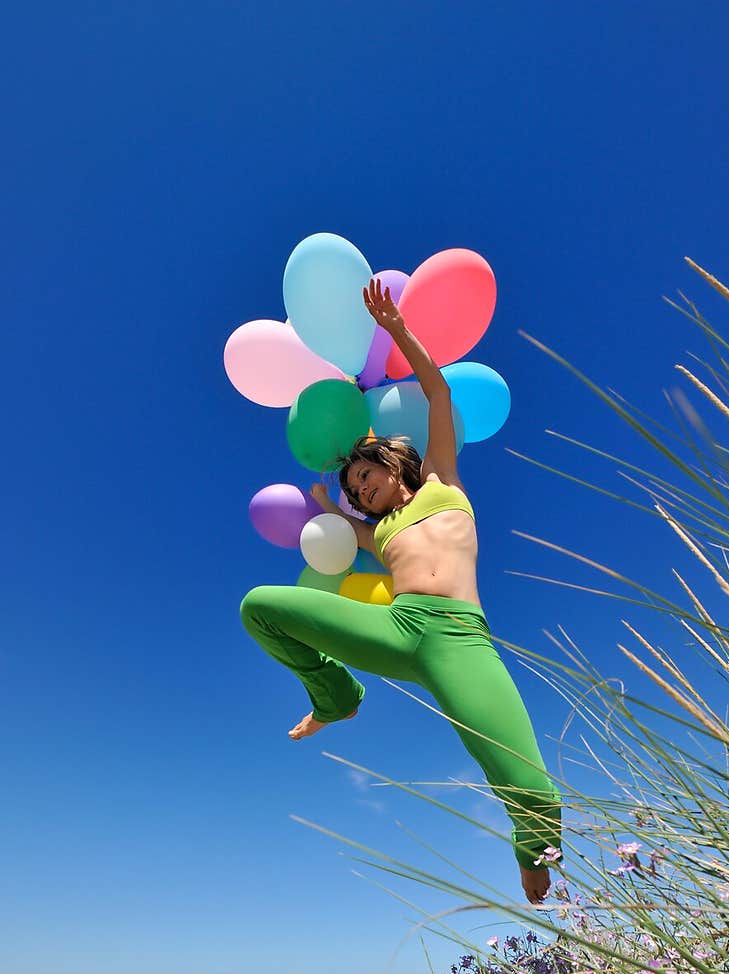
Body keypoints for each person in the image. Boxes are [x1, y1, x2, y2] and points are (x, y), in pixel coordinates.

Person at [240, 277, 560, 904]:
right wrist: (327, 506)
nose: (360, 490)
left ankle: (531, 845)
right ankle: (336, 695)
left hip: (459, 641)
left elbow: (438, 391)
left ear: (394, 466)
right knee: (261, 608)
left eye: (365, 476)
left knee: (530, 785)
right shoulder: (376, 532)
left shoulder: (444, 481)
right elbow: (342, 532)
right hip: (399, 628)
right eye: (354, 488)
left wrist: (396, 331)